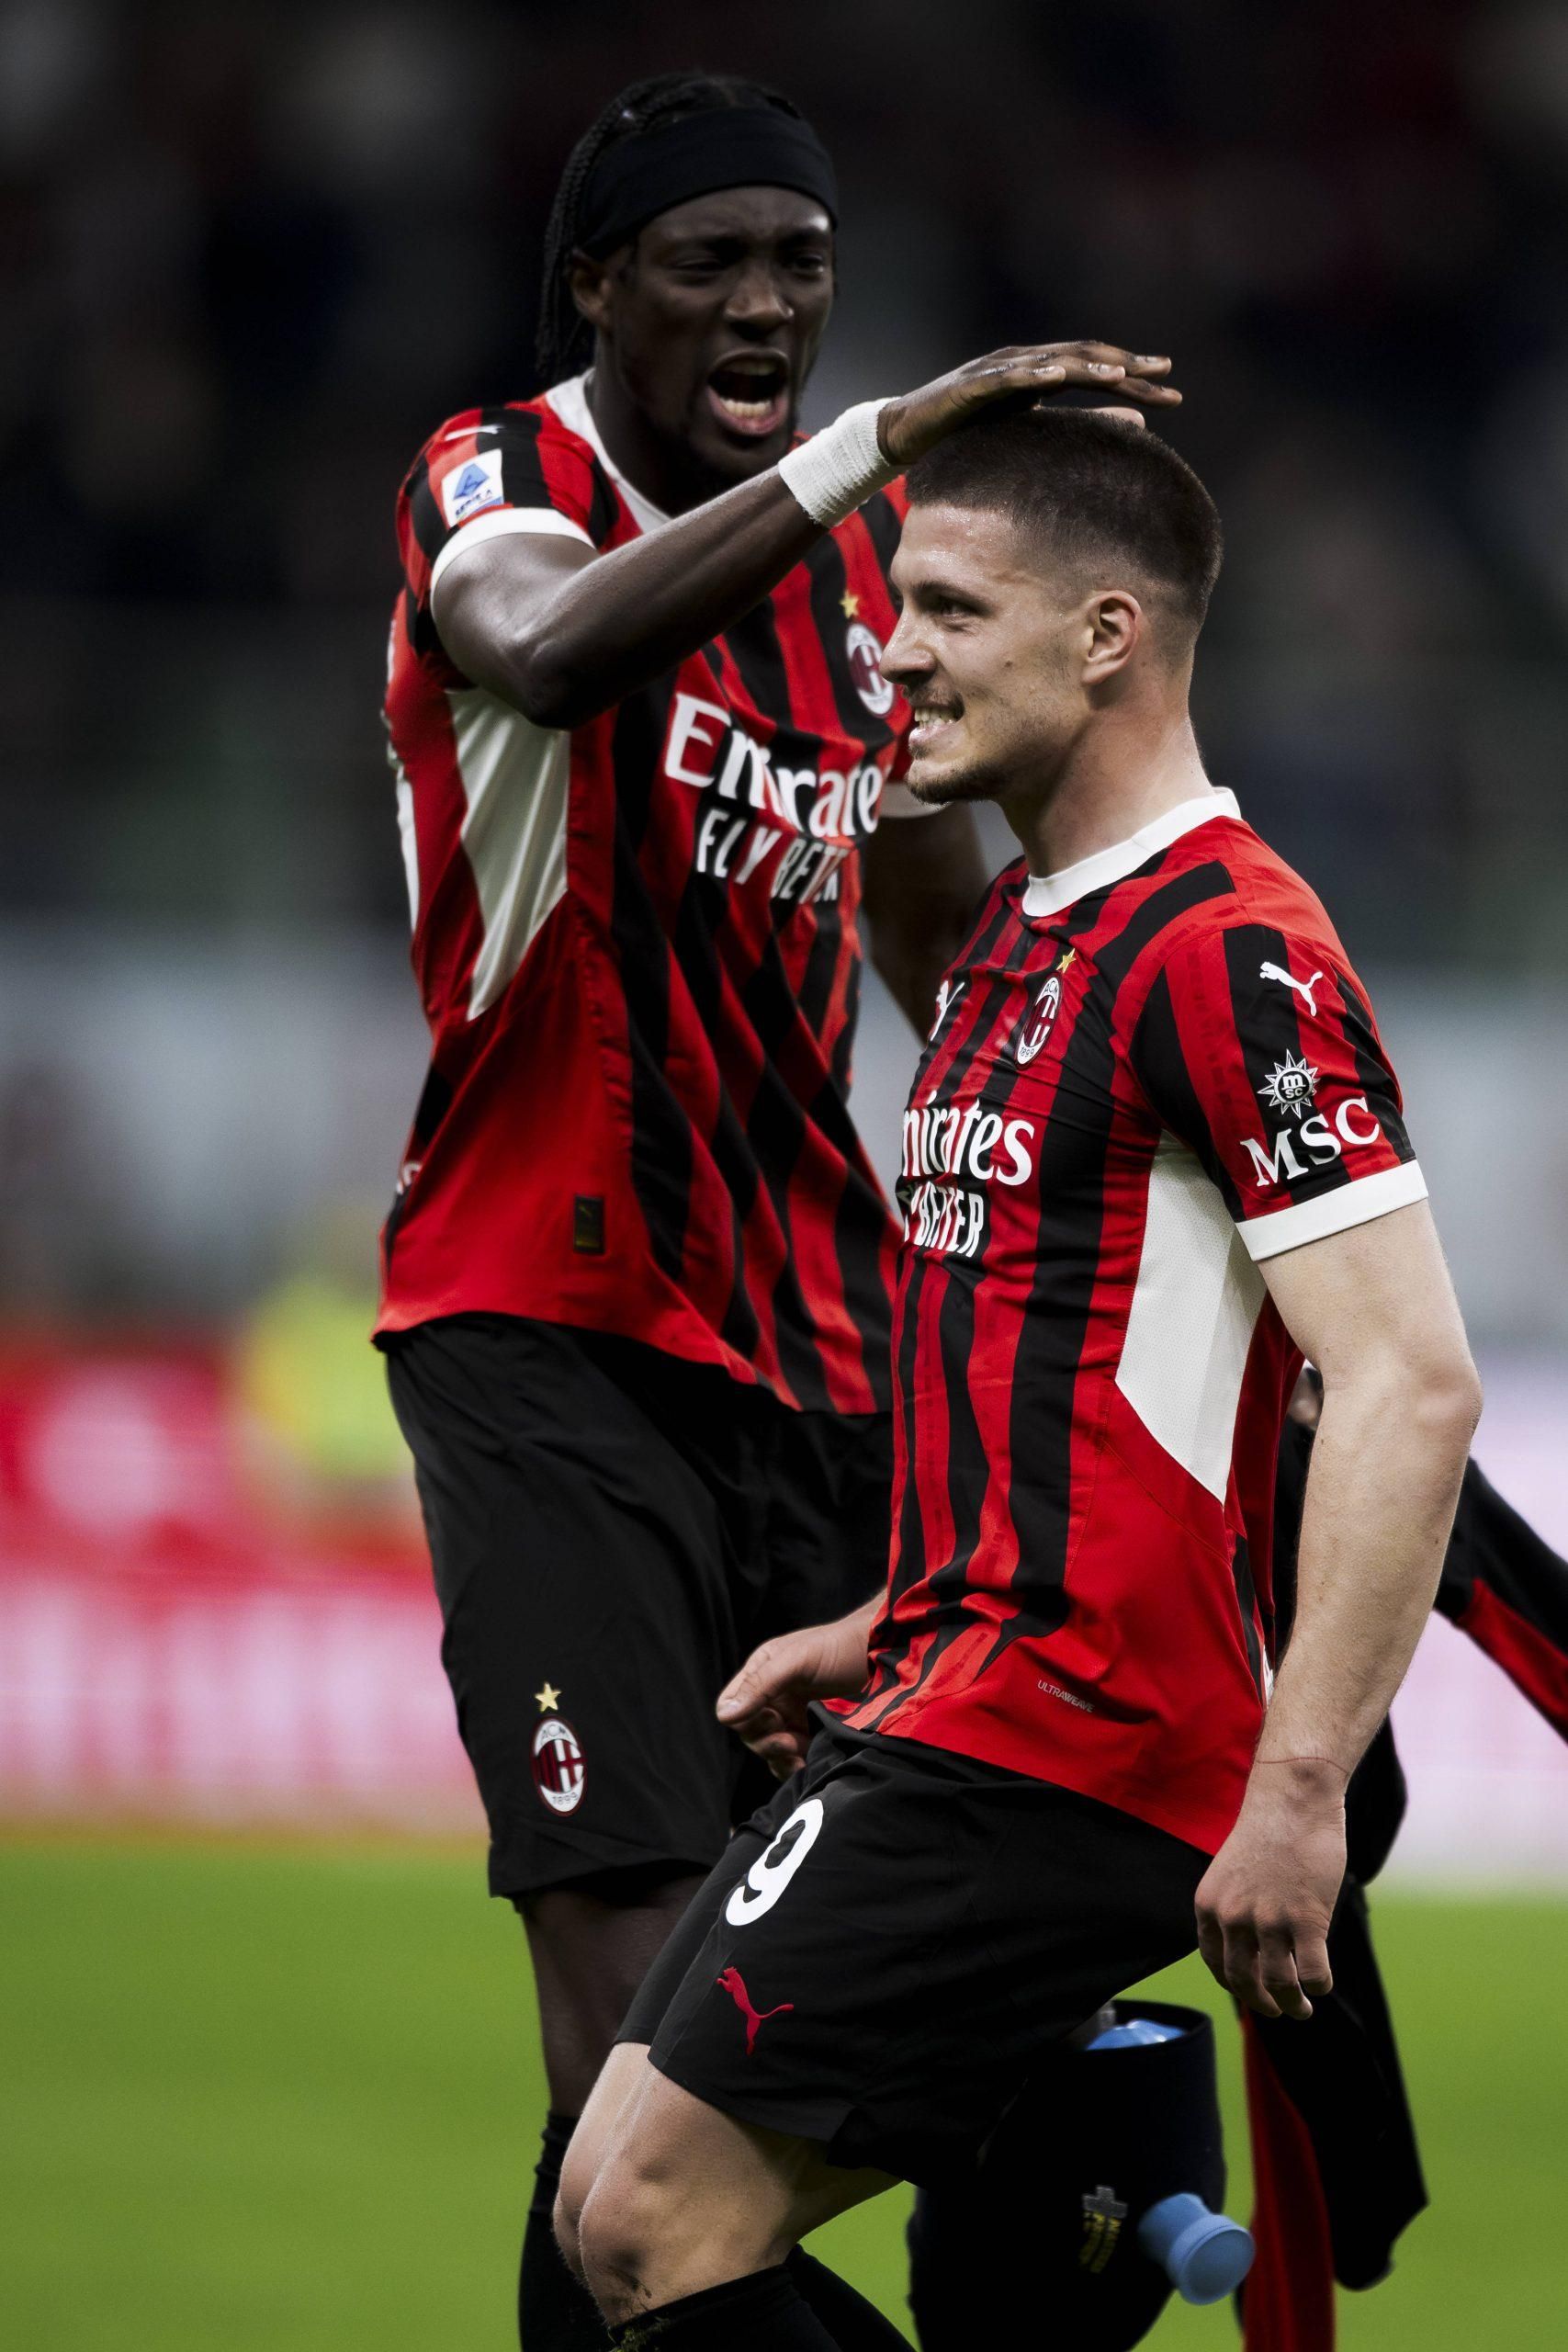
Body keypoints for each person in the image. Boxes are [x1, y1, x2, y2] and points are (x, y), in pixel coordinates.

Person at [373, 66, 1180, 2349]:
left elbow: (938, 934)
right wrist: (885, 438)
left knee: (901, 2023)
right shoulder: (498, 476)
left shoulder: (852, 589)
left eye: (798, 264)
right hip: (541, 1331)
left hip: (822, 1369)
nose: (762, 301)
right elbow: (542, 650)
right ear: (596, 283)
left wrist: (1135, 1218)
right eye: (708, 259)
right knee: (639, 2045)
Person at [555, 405, 1483, 2352]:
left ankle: (1091, 2115)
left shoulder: (1231, 953)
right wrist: (889, 1611)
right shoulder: (1008, 937)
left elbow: (1403, 1387)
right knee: (614, 2203)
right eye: (897, 602)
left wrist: (1298, 1788)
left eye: (951, 606)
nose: (890, 649)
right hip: (956, 1683)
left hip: (1078, 1735)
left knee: (643, 2214)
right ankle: (1092, 2125)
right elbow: (1076, 1369)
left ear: (1106, 637)